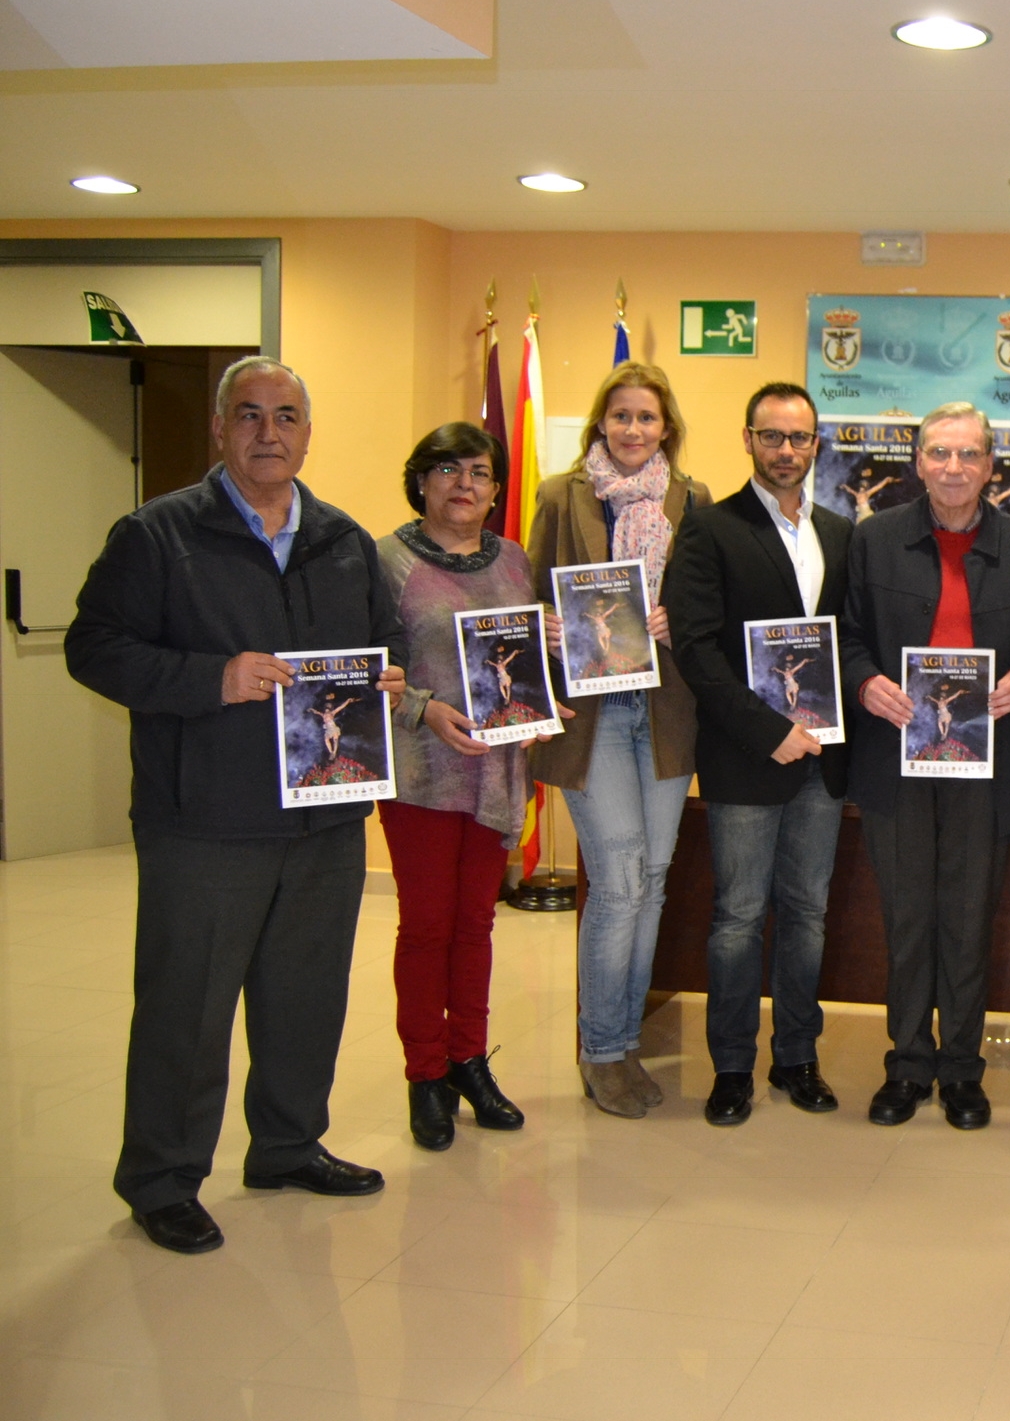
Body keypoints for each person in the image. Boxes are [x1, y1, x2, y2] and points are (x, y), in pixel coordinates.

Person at [66, 356, 406, 1255]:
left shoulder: (342, 538)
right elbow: (93, 647)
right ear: (220, 429)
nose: (268, 432)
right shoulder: (157, 534)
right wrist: (210, 677)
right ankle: (161, 1179)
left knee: (306, 996)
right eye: (249, 415)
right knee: (187, 1005)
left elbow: (385, 641)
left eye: (286, 415)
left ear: (307, 432)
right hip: (204, 819)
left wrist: (388, 679)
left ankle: (287, 1146)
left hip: (325, 814)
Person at [840, 401, 1010, 1129]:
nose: (953, 467)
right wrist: (865, 682)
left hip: (985, 761)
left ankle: (962, 1069)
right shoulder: (873, 541)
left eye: (968, 454)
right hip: (896, 756)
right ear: (919, 463)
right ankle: (907, 1064)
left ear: (990, 466)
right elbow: (846, 637)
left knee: (967, 920)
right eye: (939, 453)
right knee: (906, 918)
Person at [662, 381, 853, 1127]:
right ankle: (732, 1067)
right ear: (747, 439)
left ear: (816, 445)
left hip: (823, 760)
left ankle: (797, 1056)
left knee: (807, 913)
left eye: (798, 437)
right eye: (770, 435)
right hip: (747, 757)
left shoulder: (839, 532)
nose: (785, 450)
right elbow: (695, 647)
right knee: (738, 917)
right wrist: (768, 730)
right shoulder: (709, 528)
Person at [528, 362, 711, 1118]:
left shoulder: (691, 499)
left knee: (654, 878)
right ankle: (601, 1050)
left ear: (666, 427)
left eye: (646, 417)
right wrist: (545, 627)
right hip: (593, 716)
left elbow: (707, 603)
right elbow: (531, 590)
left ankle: (625, 1038)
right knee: (618, 880)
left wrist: (679, 618)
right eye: (621, 415)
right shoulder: (560, 494)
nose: (633, 429)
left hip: (666, 712)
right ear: (600, 422)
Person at [378, 422, 556, 1151]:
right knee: (427, 926)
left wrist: (538, 705)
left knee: (477, 923)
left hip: (496, 771)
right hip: (422, 771)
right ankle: (425, 1074)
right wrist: (423, 708)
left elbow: (518, 653)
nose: (464, 484)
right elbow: (369, 668)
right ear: (420, 480)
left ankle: (468, 1060)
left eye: (479, 473)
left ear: (495, 488)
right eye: (447, 469)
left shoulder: (512, 558)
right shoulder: (385, 560)